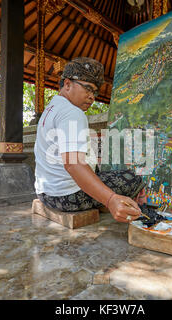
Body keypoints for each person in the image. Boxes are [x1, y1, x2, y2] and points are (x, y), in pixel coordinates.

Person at [34, 57, 146, 223]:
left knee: (100, 170)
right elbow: (73, 164)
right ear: (67, 84)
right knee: (132, 178)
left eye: (94, 92)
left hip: (45, 193)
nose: (91, 97)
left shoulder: (51, 108)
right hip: (66, 197)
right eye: (87, 88)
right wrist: (111, 199)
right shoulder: (72, 112)